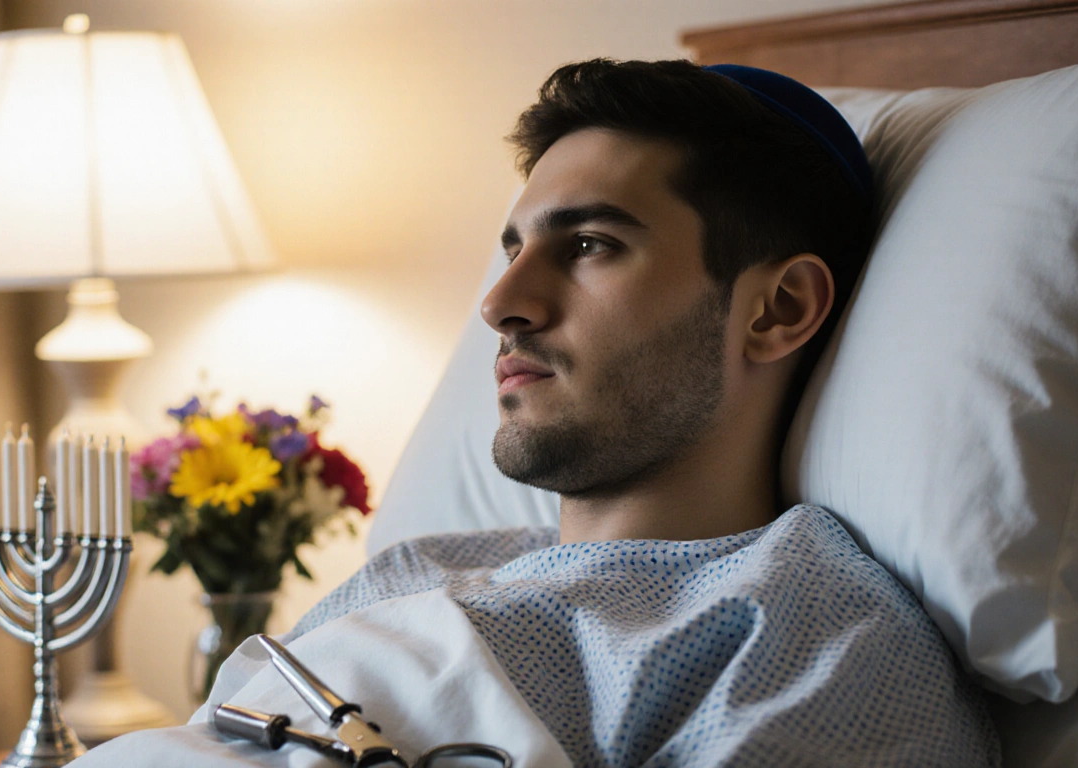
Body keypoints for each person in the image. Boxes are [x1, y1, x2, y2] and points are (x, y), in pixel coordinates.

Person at [83, 60, 1001, 767]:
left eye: (592, 244)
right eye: (513, 247)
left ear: (779, 309)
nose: (501, 301)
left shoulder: (803, 632)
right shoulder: (415, 571)